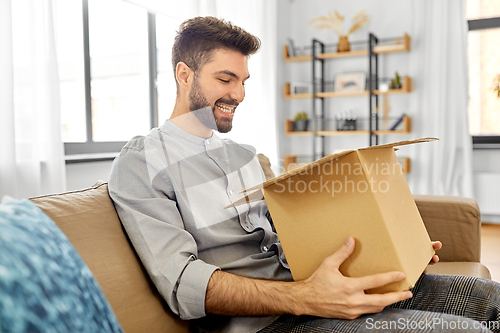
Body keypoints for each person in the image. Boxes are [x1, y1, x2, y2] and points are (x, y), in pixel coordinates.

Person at [108, 16, 500, 333]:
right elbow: (180, 281)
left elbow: (296, 234)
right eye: (225, 79)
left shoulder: (241, 155)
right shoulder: (142, 161)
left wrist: (392, 248)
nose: (239, 95)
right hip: (268, 323)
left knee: (493, 300)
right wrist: (307, 298)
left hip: (315, 294)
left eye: (243, 82)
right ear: (184, 74)